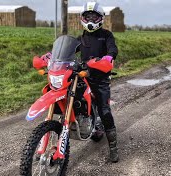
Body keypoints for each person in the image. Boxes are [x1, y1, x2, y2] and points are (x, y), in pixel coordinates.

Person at [40, 1, 119, 163]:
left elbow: (112, 49)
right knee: (73, 98)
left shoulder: (106, 35)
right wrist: (51, 56)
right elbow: (67, 51)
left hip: (100, 78)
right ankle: (79, 121)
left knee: (104, 109)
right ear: (82, 18)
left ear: (101, 19)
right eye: (87, 16)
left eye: (94, 16)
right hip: (82, 75)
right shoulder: (80, 39)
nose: (90, 19)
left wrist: (108, 57)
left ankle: (113, 147)